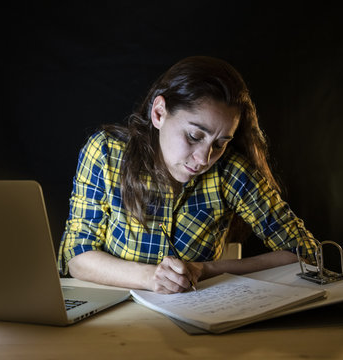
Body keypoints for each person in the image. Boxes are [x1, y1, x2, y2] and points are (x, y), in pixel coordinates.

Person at [58, 56, 317, 294]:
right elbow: (77, 255)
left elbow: (305, 253)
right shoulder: (105, 152)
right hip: (113, 314)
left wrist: (205, 270)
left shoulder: (230, 171)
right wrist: (151, 278)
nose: (204, 159)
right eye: (194, 136)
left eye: (220, 143)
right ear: (159, 113)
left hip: (196, 317)